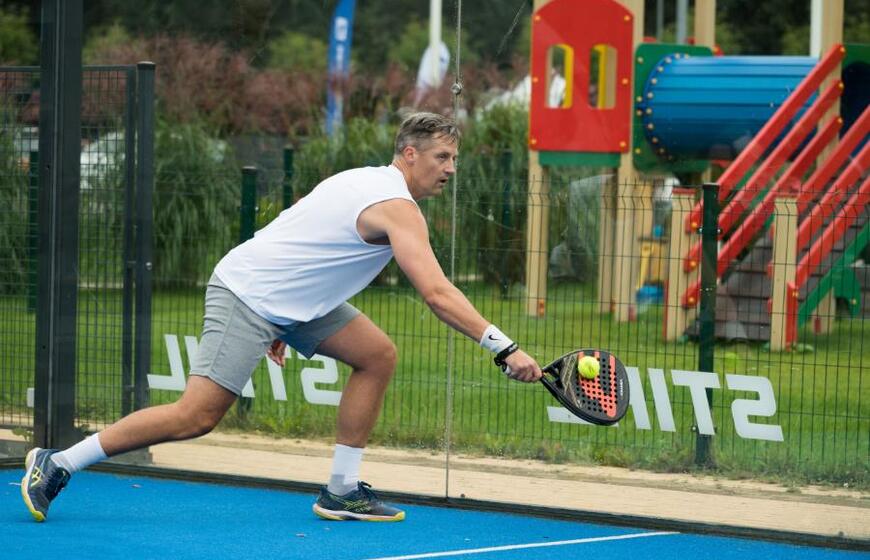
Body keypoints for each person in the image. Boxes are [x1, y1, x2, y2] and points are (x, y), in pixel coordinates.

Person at [21, 112, 542, 523]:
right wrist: (503, 347)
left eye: (454, 158)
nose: (451, 168)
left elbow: (299, 224)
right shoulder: (396, 206)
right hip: (248, 293)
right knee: (196, 416)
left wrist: (292, 317)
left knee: (377, 355)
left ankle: (341, 490)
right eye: (442, 156)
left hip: (289, 302)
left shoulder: (363, 179)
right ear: (410, 154)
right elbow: (436, 293)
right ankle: (58, 461)